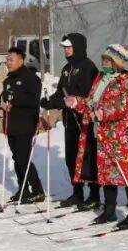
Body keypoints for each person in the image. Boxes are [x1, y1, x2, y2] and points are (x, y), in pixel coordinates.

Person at [66, 44, 128, 229]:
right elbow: (92, 102)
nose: (104, 62)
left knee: (127, 175)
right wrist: (77, 102)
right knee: (108, 174)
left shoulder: (127, 81)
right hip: (102, 135)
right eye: (103, 58)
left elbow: (124, 107)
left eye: (108, 59)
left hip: (121, 136)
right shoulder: (101, 79)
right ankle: (109, 211)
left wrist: (102, 113)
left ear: (118, 62)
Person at [41, 33, 100, 210]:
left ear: (78, 46)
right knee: (71, 157)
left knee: (88, 158)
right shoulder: (67, 68)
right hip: (70, 121)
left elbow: (84, 94)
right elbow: (62, 92)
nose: (66, 50)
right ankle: (77, 192)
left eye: (69, 47)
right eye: (65, 47)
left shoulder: (88, 67)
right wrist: (49, 102)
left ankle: (94, 194)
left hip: (85, 121)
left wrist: (63, 101)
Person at [0, 46, 44, 204]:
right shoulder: (8, 79)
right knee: (17, 158)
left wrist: (13, 101)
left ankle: (37, 190)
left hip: (25, 123)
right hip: (11, 124)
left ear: (21, 60)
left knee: (23, 158)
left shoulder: (30, 78)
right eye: (7, 59)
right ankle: (23, 189)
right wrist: (2, 103)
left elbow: (33, 100)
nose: (8, 62)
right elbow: (1, 98)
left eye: (11, 59)